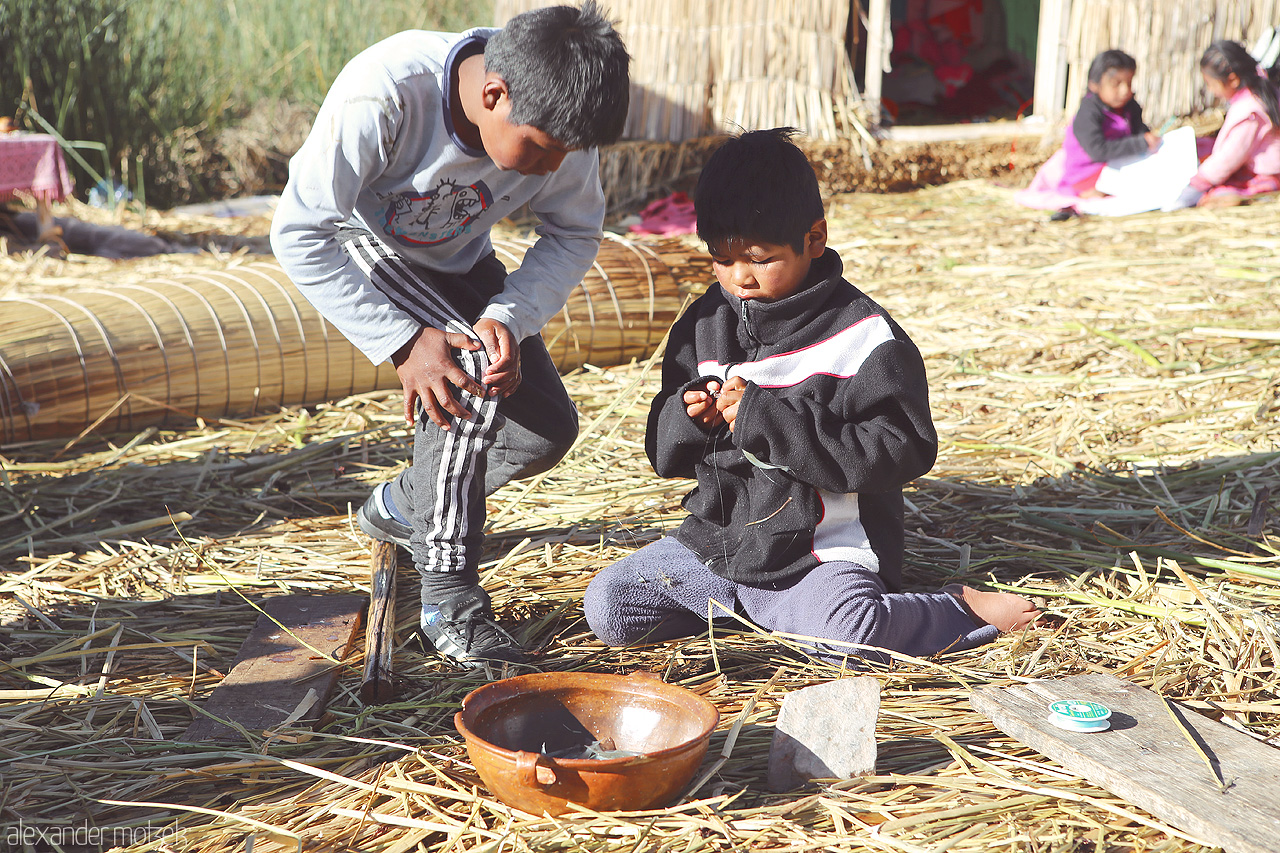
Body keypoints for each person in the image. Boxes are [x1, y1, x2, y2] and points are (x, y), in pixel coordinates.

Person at [584, 129, 1040, 665]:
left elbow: (904, 450)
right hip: (719, 548)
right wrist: (690, 418)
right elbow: (665, 454)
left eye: (758, 258)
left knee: (848, 636)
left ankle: (959, 608)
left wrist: (768, 421)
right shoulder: (705, 324)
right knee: (612, 607)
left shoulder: (862, 339)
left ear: (813, 240)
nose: (738, 277)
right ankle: (765, 611)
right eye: (721, 259)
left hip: (820, 554)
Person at [270, 2, 630, 666]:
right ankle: (450, 602)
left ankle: (401, 504)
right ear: (493, 95)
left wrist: (510, 315)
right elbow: (299, 232)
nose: (550, 171)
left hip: (457, 260)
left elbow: (575, 231)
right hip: (362, 243)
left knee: (544, 427)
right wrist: (405, 341)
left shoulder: (557, 119)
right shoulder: (387, 93)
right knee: (464, 376)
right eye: (542, 152)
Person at [1015, 49, 1158, 218]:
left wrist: (1147, 138)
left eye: (1129, 82)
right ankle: (1089, 192)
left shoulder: (1129, 106)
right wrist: (1140, 143)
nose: (1125, 90)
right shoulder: (1087, 114)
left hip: (1116, 164)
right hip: (1087, 171)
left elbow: (1138, 130)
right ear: (1094, 84)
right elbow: (1097, 151)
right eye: (1116, 84)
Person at [1172, 39, 1280, 209]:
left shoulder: (1249, 112)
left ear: (1233, 80)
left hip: (1267, 175)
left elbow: (1228, 158)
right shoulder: (1260, 92)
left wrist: (1197, 184)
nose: (1211, 91)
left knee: (1212, 197)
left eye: (1211, 84)